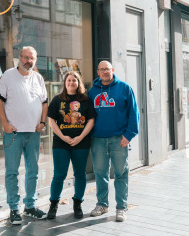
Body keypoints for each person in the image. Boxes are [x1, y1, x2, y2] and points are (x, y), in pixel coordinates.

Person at [0, 46, 48, 225]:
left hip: (33, 133)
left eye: (31, 58)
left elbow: (45, 102)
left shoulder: (38, 78)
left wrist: (42, 122)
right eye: (25, 57)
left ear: (35, 59)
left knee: (33, 171)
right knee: (11, 172)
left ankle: (30, 206)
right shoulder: (8, 76)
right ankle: (14, 209)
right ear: (19, 58)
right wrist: (4, 124)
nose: (28, 61)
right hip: (14, 133)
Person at [88, 61, 139, 222]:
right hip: (98, 139)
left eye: (107, 69)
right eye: (101, 69)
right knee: (100, 173)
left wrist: (129, 135)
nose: (104, 72)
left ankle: (121, 207)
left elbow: (134, 113)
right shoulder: (92, 92)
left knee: (121, 173)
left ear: (112, 70)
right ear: (98, 72)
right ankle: (102, 204)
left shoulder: (124, 88)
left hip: (119, 139)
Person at [47, 71, 96, 220]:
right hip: (61, 143)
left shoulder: (86, 101)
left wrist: (80, 137)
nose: (71, 83)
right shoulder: (57, 100)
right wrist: (63, 137)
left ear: (78, 82)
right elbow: (52, 121)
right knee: (59, 175)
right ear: (65, 83)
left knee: (80, 174)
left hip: (81, 143)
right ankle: (53, 204)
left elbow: (91, 120)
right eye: (69, 80)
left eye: (74, 80)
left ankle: (77, 203)